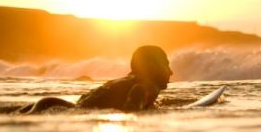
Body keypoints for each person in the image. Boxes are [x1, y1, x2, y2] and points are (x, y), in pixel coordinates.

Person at [18, 45, 173, 114]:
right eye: (166, 64)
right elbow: (137, 94)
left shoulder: (129, 80)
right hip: (70, 109)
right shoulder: (147, 85)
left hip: (58, 104)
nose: (171, 72)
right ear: (152, 67)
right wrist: (134, 111)